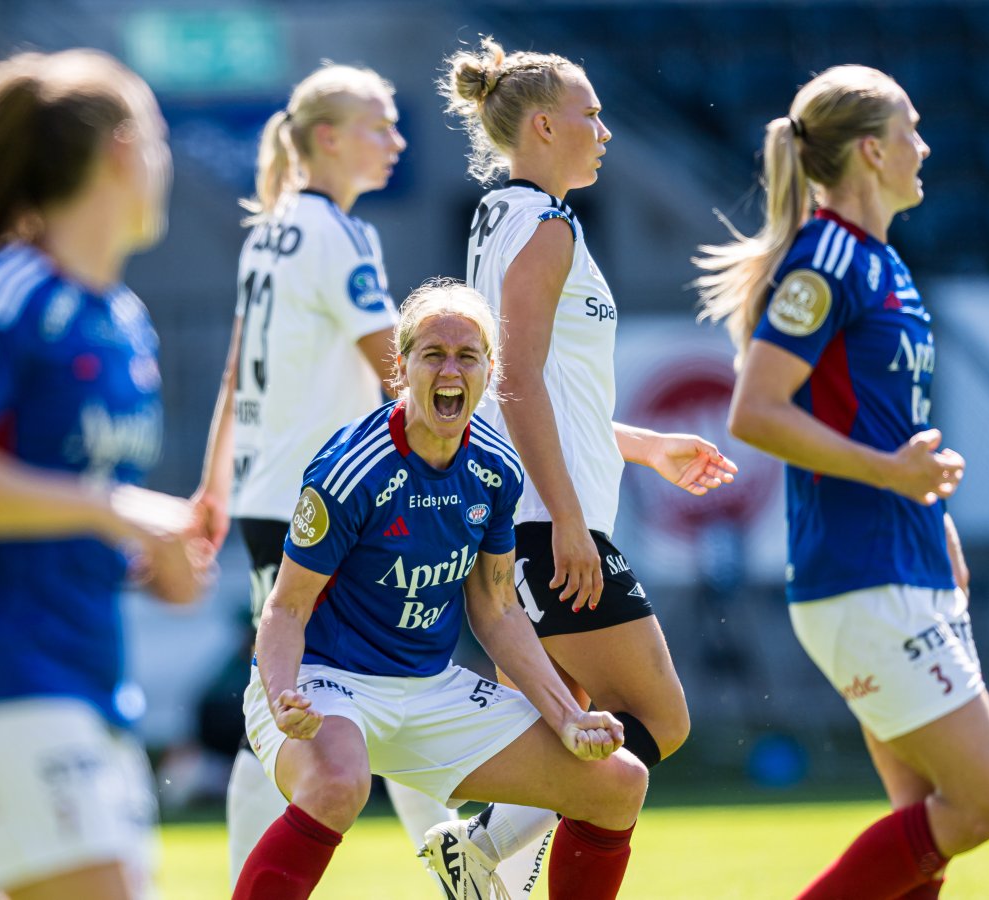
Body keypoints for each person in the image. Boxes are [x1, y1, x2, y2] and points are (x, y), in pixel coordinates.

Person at [0, 49, 210, 900]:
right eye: (164, 142)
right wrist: (112, 507)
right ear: (126, 151)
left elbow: (66, 513)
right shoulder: (11, 294)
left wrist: (153, 557)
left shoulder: (124, 322)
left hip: (83, 676)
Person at [695, 65, 989, 899]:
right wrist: (893, 475)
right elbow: (755, 411)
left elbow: (875, 421)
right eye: (911, 129)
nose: (925, 146)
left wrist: (930, 516)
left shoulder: (882, 262)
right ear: (872, 152)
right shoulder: (829, 259)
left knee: (925, 840)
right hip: (861, 576)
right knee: (986, 802)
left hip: (903, 564)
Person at [424, 37, 738, 896]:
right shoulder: (547, 225)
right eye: (590, 114)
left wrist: (645, 447)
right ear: (541, 124)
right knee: (656, 722)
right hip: (543, 521)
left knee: (575, 738)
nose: (604, 129)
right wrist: (567, 519)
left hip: (528, 513)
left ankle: (491, 859)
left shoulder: (504, 215)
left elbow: (540, 388)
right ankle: (482, 842)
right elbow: (515, 378)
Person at [233, 280, 647, 900]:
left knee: (618, 782)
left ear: (488, 372)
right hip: (325, 682)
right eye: (432, 354)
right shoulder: (352, 470)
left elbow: (498, 607)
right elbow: (285, 607)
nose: (450, 369)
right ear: (401, 369)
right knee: (340, 785)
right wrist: (282, 691)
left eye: (467, 355)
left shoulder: (496, 468)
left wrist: (568, 715)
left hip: (429, 689)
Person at [189, 63, 457, 884]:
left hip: (272, 495)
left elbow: (237, 371)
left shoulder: (272, 229)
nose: (398, 140)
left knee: (329, 692)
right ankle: (466, 870)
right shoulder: (334, 234)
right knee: (375, 684)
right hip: (319, 502)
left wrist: (211, 487)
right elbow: (395, 366)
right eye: (381, 125)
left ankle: (461, 869)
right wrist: (462, 444)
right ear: (330, 138)